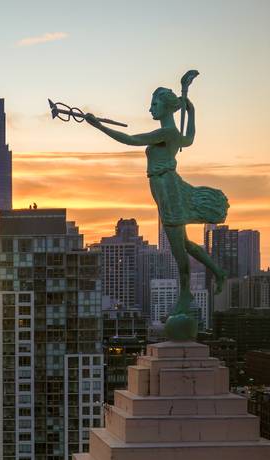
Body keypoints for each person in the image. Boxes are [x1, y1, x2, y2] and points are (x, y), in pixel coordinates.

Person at [84, 86, 228, 316]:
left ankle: (185, 292)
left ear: (167, 107)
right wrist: (192, 113)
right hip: (163, 187)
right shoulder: (172, 134)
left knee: (178, 249)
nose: (150, 108)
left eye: (155, 104)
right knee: (186, 244)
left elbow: (130, 139)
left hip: (167, 188)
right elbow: (189, 139)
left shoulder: (167, 133)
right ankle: (218, 273)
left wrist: (99, 126)